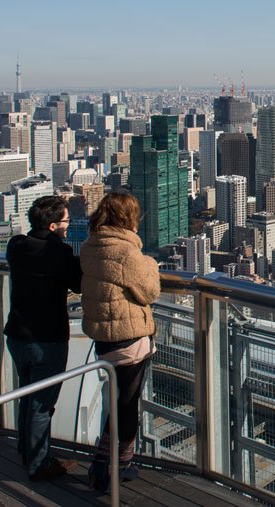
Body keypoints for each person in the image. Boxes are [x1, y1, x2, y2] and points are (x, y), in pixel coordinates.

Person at [79, 191, 160, 491]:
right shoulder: (126, 252)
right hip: (129, 337)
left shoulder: (90, 246)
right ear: (128, 218)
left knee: (116, 402)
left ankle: (107, 465)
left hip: (103, 337)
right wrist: (150, 264)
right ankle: (111, 467)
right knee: (127, 406)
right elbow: (149, 290)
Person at [4, 195, 82, 481]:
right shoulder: (58, 253)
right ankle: (39, 464)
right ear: (52, 226)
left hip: (17, 335)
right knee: (42, 404)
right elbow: (77, 282)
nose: (67, 226)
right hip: (47, 338)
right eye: (65, 222)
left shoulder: (16, 245)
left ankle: (27, 452)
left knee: (26, 396)